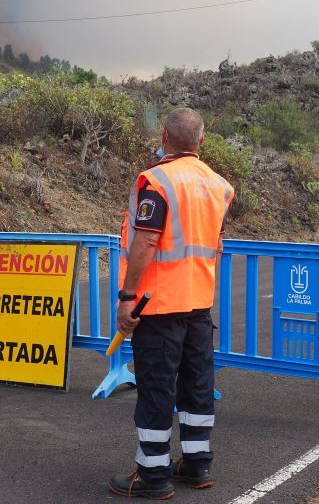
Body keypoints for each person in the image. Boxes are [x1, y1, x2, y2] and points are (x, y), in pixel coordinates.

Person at [108, 108, 234, 500]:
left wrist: (127, 298)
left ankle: (152, 474)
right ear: (201, 141)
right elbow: (217, 243)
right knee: (197, 386)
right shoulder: (219, 185)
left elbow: (145, 241)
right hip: (198, 304)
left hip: (158, 305)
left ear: (164, 135)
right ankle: (197, 466)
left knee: (157, 388)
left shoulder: (158, 181)